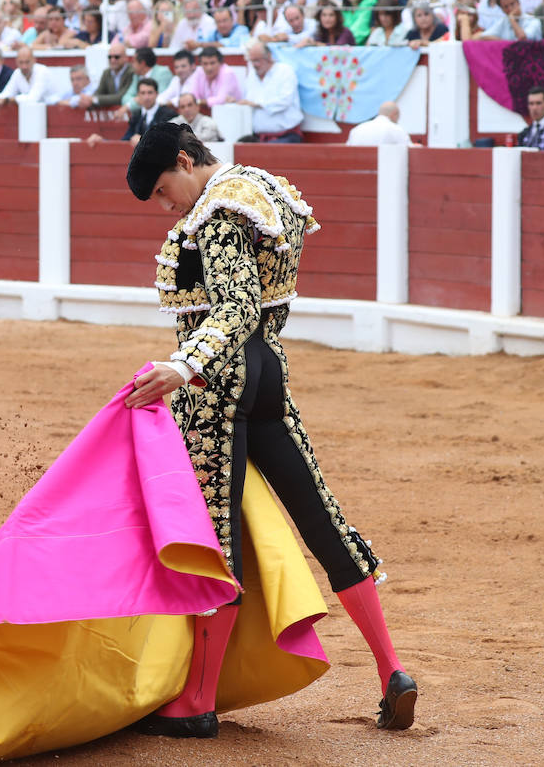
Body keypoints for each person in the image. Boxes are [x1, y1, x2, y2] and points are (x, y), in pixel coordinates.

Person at [123, 121, 417, 738]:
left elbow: (233, 307)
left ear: (185, 159)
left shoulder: (219, 214)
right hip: (267, 367)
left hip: (218, 381)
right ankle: (392, 670)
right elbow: (264, 307)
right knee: (322, 517)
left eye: (162, 189)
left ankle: (196, 700)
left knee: (214, 535)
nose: (164, 206)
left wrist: (184, 366)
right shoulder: (260, 187)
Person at [238, 41, 301, 143]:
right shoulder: (252, 75)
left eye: (257, 60)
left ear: (269, 57)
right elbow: (247, 100)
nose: (254, 65)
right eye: (252, 61)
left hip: (285, 136)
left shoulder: (285, 71)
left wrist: (257, 104)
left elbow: (284, 101)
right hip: (258, 137)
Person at [88, 76, 177, 145]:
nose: (146, 97)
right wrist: (103, 141)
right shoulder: (137, 115)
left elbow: (167, 142)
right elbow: (125, 140)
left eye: (150, 93)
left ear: (156, 94)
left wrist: (143, 140)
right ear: (138, 95)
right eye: (143, 93)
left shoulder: (168, 114)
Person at [345, 101, 411, 146]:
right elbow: (412, 150)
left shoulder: (356, 130)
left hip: (358, 166)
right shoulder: (396, 130)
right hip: (384, 166)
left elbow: (347, 150)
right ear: (394, 114)